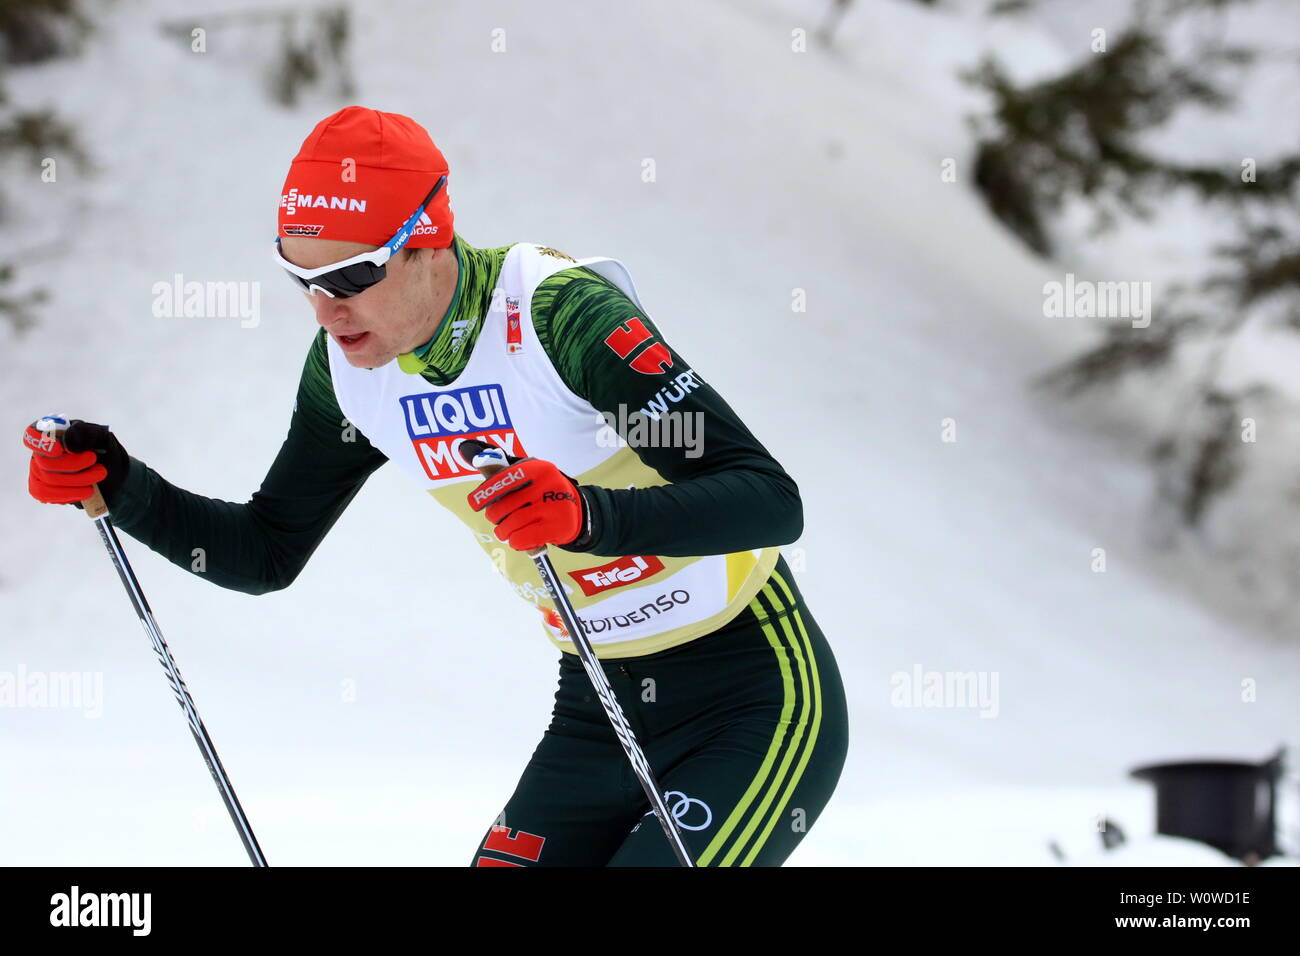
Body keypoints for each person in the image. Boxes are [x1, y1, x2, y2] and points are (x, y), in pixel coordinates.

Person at [23, 106, 849, 866]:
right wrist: (119, 486)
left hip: (755, 690)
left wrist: (586, 514)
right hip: (597, 708)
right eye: (302, 279)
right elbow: (265, 551)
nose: (325, 311)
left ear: (428, 241)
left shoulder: (560, 319)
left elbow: (769, 500)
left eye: (350, 278)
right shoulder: (357, 377)